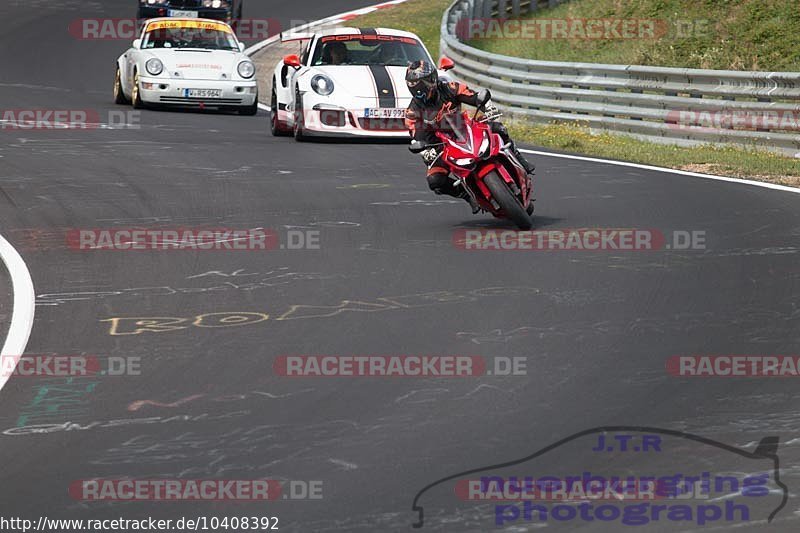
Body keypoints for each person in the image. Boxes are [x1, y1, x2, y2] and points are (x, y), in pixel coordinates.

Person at [404, 60, 534, 213]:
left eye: (422, 85)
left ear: (432, 79)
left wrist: (488, 107)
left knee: (499, 128)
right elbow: (415, 136)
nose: (419, 91)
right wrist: (424, 151)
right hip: (441, 146)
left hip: (466, 129)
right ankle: (468, 196)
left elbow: (474, 96)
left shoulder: (450, 88)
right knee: (435, 180)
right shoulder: (412, 112)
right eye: (415, 87)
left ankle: (519, 158)